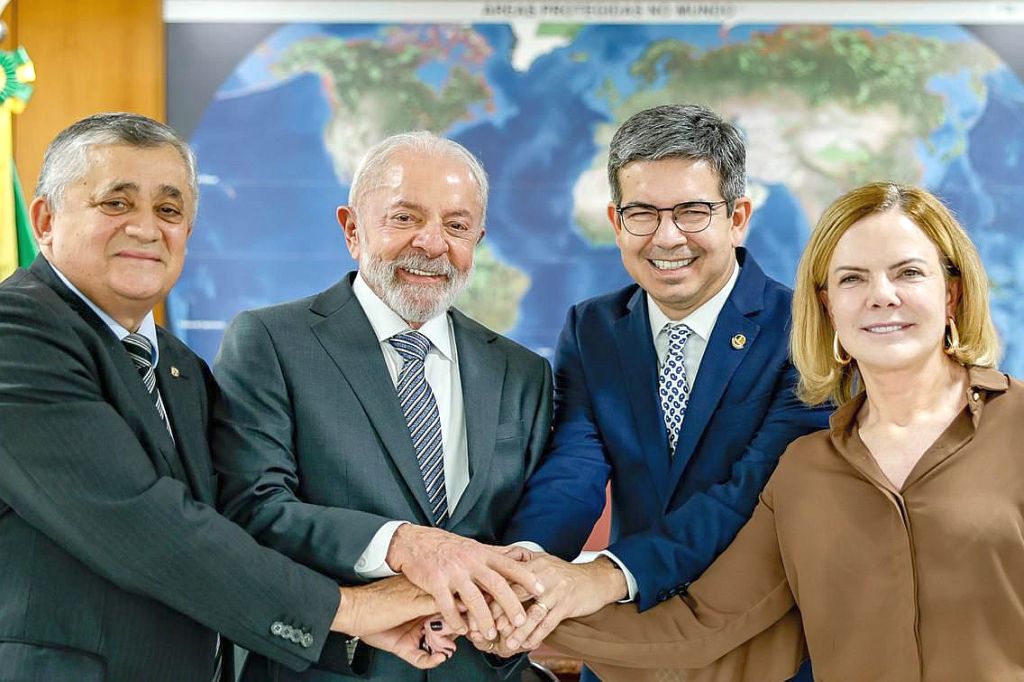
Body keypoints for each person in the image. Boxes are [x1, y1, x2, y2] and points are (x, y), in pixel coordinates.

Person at [0, 113, 453, 682]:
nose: (146, 228)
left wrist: (346, 626)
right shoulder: (15, 332)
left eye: (169, 210)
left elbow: (229, 528)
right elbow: (142, 524)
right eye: (116, 203)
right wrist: (350, 608)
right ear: (45, 221)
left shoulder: (181, 368)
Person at [544, 182, 1017, 681]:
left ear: (952, 294)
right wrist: (516, 609)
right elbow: (698, 629)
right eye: (852, 279)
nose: (882, 295)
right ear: (828, 307)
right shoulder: (804, 469)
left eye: (909, 273)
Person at [494, 105, 829, 680]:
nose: (667, 236)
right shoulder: (592, 328)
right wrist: (523, 567)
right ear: (615, 221)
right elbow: (573, 468)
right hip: (627, 653)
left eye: (692, 212)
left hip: (760, 646)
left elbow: (750, 492)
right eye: (642, 213)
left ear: (738, 217)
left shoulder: (805, 329)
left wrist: (605, 574)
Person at [211, 131, 553, 680]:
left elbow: (528, 527)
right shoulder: (270, 341)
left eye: (457, 226)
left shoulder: (523, 371)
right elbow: (252, 508)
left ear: (477, 240)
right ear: (352, 229)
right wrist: (401, 544)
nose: (433, 243)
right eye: (405, 218)